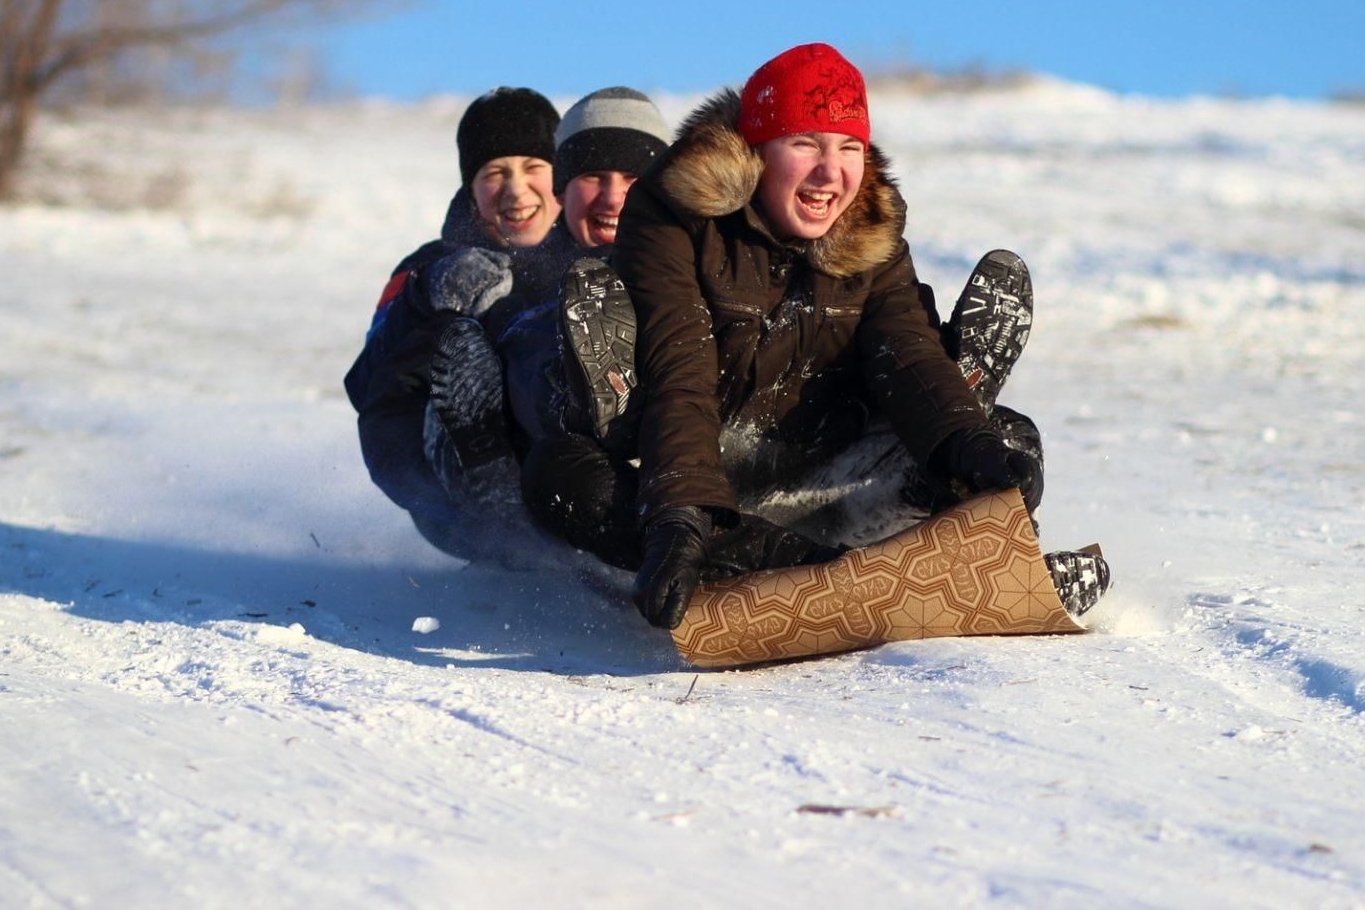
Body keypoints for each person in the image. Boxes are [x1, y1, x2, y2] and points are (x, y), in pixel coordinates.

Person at [520, 44, 1109, 627]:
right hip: (708, 480)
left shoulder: (869, 232)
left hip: (824, 472)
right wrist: (681, 514)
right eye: (805, 144)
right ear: (756, 153)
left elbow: (908, 356)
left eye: (849, 148)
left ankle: (978, 552)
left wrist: (969, 447)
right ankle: (812, 573)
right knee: (562, 476)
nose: (831, 172)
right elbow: (680, 367)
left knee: (1004, 436)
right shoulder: (677, 219)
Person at [344, 86, 570, 556]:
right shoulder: (427, 270)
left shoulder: (599, 254)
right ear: (471, 187)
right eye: (494, 173)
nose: (515, 189)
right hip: (464, 507)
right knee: (465, 359)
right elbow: (370, 390)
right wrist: (429, 305)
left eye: (533, 168)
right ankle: (515, 542)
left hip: (579, 482)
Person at [424, 88, 671, 506]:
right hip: (550, 475)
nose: (613, 197)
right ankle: (567, 409)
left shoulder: (693, 256)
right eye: (593, 176)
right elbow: (390, 398)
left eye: (633, 178)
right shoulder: (502, 274)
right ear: (563, 189)